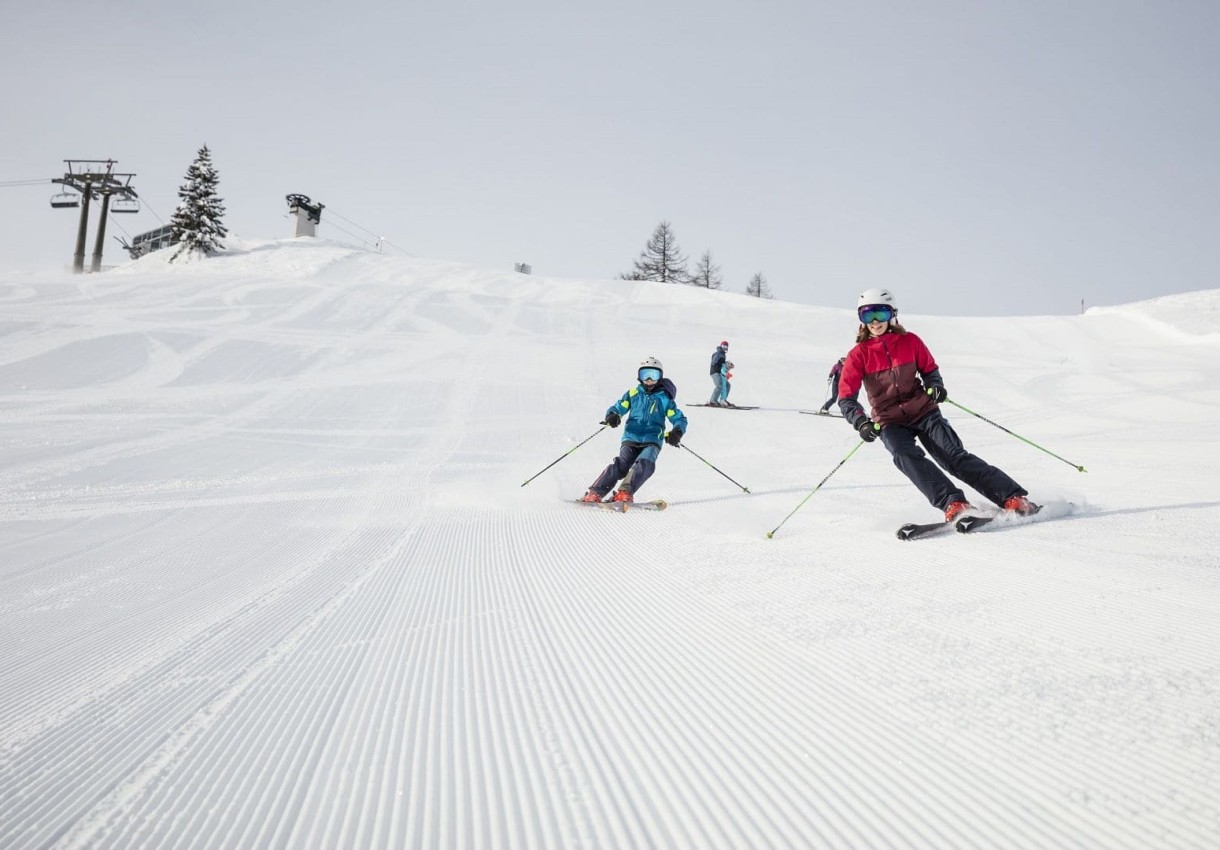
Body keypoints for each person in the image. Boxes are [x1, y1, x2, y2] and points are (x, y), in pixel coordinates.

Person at [837, 288, 1038, 522]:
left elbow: (929, 369)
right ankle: (953, 502)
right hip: (889, 421)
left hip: (924, 411)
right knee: (905, 456)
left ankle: (1012, 497)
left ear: (892, 314)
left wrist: (936, 385)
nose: (874, 322)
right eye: (867, 315)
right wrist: (861, 422)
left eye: (880, 314)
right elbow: (846, 397)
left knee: (953, 456)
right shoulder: (858, 355)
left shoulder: (910, 341)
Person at [580, 356, 688, 503]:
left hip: (652, 439)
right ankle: (595, 492)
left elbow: (678, 418)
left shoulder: (665, 400)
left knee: (645, 463)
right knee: (621, 465)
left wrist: (677, 431)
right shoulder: (633, 394)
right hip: (631, 436)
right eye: (645, 375)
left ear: (660, 377)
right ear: (639, 377)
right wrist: (613, 415)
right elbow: (619, 407)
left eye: (653, 375)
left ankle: (624, 492)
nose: (649, 379)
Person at [708, 340, 730, 406]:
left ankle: (723, 400)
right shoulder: (718, 353)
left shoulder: (723, 354)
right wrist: (722, 364)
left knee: (727, 385)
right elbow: (714, 362)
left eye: (726, 347)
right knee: (719, 386)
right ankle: (713, 401)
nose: (725, 348)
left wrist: (726, 367)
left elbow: (722, 365)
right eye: (723, 346)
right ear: (721, 346)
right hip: (715, 372)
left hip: (720, 373)